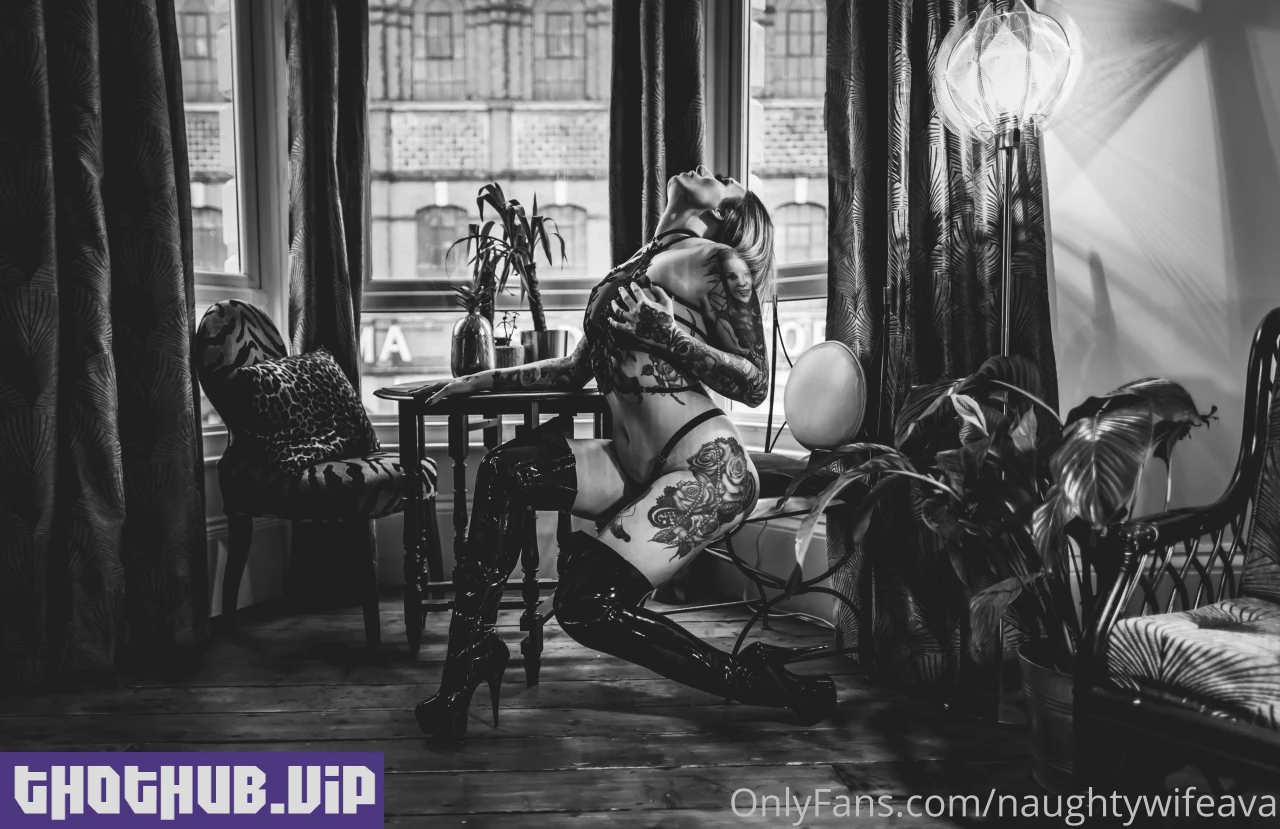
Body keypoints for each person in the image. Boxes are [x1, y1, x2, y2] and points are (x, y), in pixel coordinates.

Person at [415, 167, 837, 738]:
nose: (709, 170)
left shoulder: (718, 263)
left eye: (724, 179)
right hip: (632, 463)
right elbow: (574, 370)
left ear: (723, 213)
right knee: (505, 470)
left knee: (587, 606)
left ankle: (759, 679)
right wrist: (477, 381)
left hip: (707, 468)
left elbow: (755, 381)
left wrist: (668, 334)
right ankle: (466, 667)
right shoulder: (632, 267)